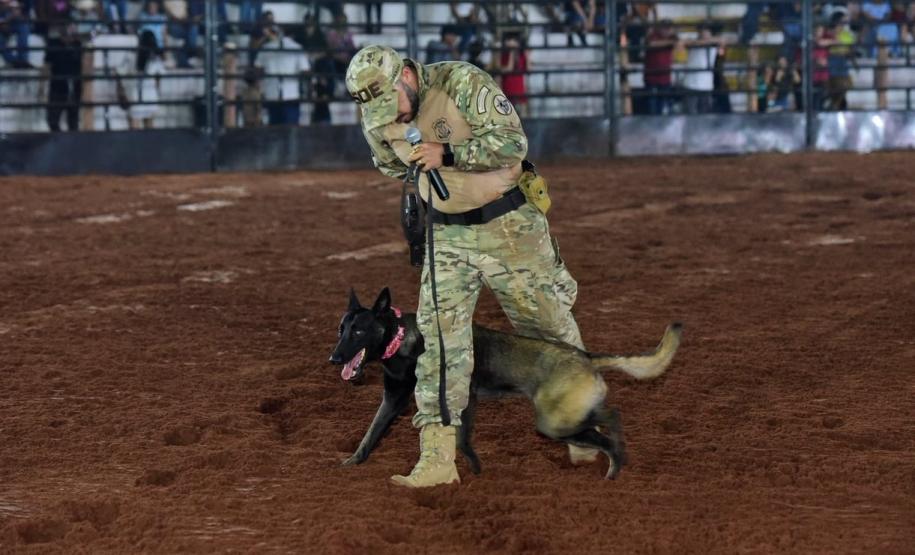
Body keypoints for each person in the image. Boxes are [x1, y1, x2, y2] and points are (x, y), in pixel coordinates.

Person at [344, 45, 588, 488]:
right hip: (446, 237)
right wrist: (429, 191)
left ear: (406, 77)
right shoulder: (376, 116)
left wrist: (448, 156)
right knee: (438, 343)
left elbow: (512, 142)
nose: (390, 118)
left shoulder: (460, 82)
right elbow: (387, 163)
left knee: (547, 330)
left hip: (509, 227)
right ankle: (437, 458)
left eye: (392, 104)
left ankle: (581, 422)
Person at [258, 30, 309, 125]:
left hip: (272, 94)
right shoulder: (296, 48)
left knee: (274, 128)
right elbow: (305, 71)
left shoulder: (266, 48)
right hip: (291, 94)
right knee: (291, 129)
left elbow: (258, 69)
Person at [43, 22, 82, 131]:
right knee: (52, 120)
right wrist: (42, 87)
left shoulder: (78, 45)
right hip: (57, 87)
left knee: (73, 122)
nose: (70, 37)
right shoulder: (53, 44)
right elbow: (47, 65)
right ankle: (59, 139)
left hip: (75, 87)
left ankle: (72, 145)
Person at [125, 29, 164, 128]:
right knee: (149, 128)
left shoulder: (131, 55)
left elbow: (122, 72)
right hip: (151, 96)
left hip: (136, 95)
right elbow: (158, 79)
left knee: (134, 128)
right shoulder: (156, 59)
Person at [643, 20, 678, 115]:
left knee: (664, 104)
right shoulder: (653, 35)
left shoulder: (673, 38)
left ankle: (661, 126)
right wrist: (669, 42)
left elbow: (679, 44)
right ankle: (652, 124)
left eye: (669, 29)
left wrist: (671, 40)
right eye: (665, 28)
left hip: (665, 77)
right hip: (651, 76)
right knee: (651, 104)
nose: (667, 31)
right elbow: (651, 44)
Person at [496, 31, 529, 117]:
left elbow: (528, 69)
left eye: (514, 40)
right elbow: (508, 69)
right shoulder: (502, 55)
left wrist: (527, 55)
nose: (511, 42)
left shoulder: (522, 55)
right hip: (507, 91)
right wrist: (511, 52)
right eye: (509, 40)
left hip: (520, 91)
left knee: (523, 118)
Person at [0, 0, 33, 68]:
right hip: (3, 24)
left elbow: (26, 15)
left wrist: (18, 12)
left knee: (24, 28)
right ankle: (13, 61)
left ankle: (22, 60)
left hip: (15, 23)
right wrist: (9, 17)